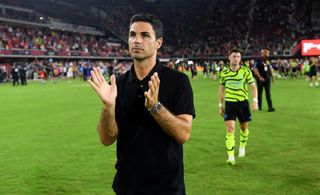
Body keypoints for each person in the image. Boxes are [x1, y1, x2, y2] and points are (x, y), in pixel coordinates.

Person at [88, 13, 195, 194]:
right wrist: (108, 106)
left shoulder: (178, 81)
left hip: (166, 187)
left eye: (145, 35)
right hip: (127, 186)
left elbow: (183, 134)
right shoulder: (118, 84)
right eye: (132, 35)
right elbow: (107, 138)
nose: (137, 40)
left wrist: (155, 107)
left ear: (158, 43)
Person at [219, 48, 258, 165]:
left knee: (244, 128)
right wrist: (220, 105)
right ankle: (230, 157)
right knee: (230, 128)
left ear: (240, 59)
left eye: (238, 57)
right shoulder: (224, 73)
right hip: (230, 103)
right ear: (229, 57)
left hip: (243, 103)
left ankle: (242, 146)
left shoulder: (246, 71)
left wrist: (255, 101)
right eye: (234, 56)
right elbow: (221, 89)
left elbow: (253, 86)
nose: (236, 59)